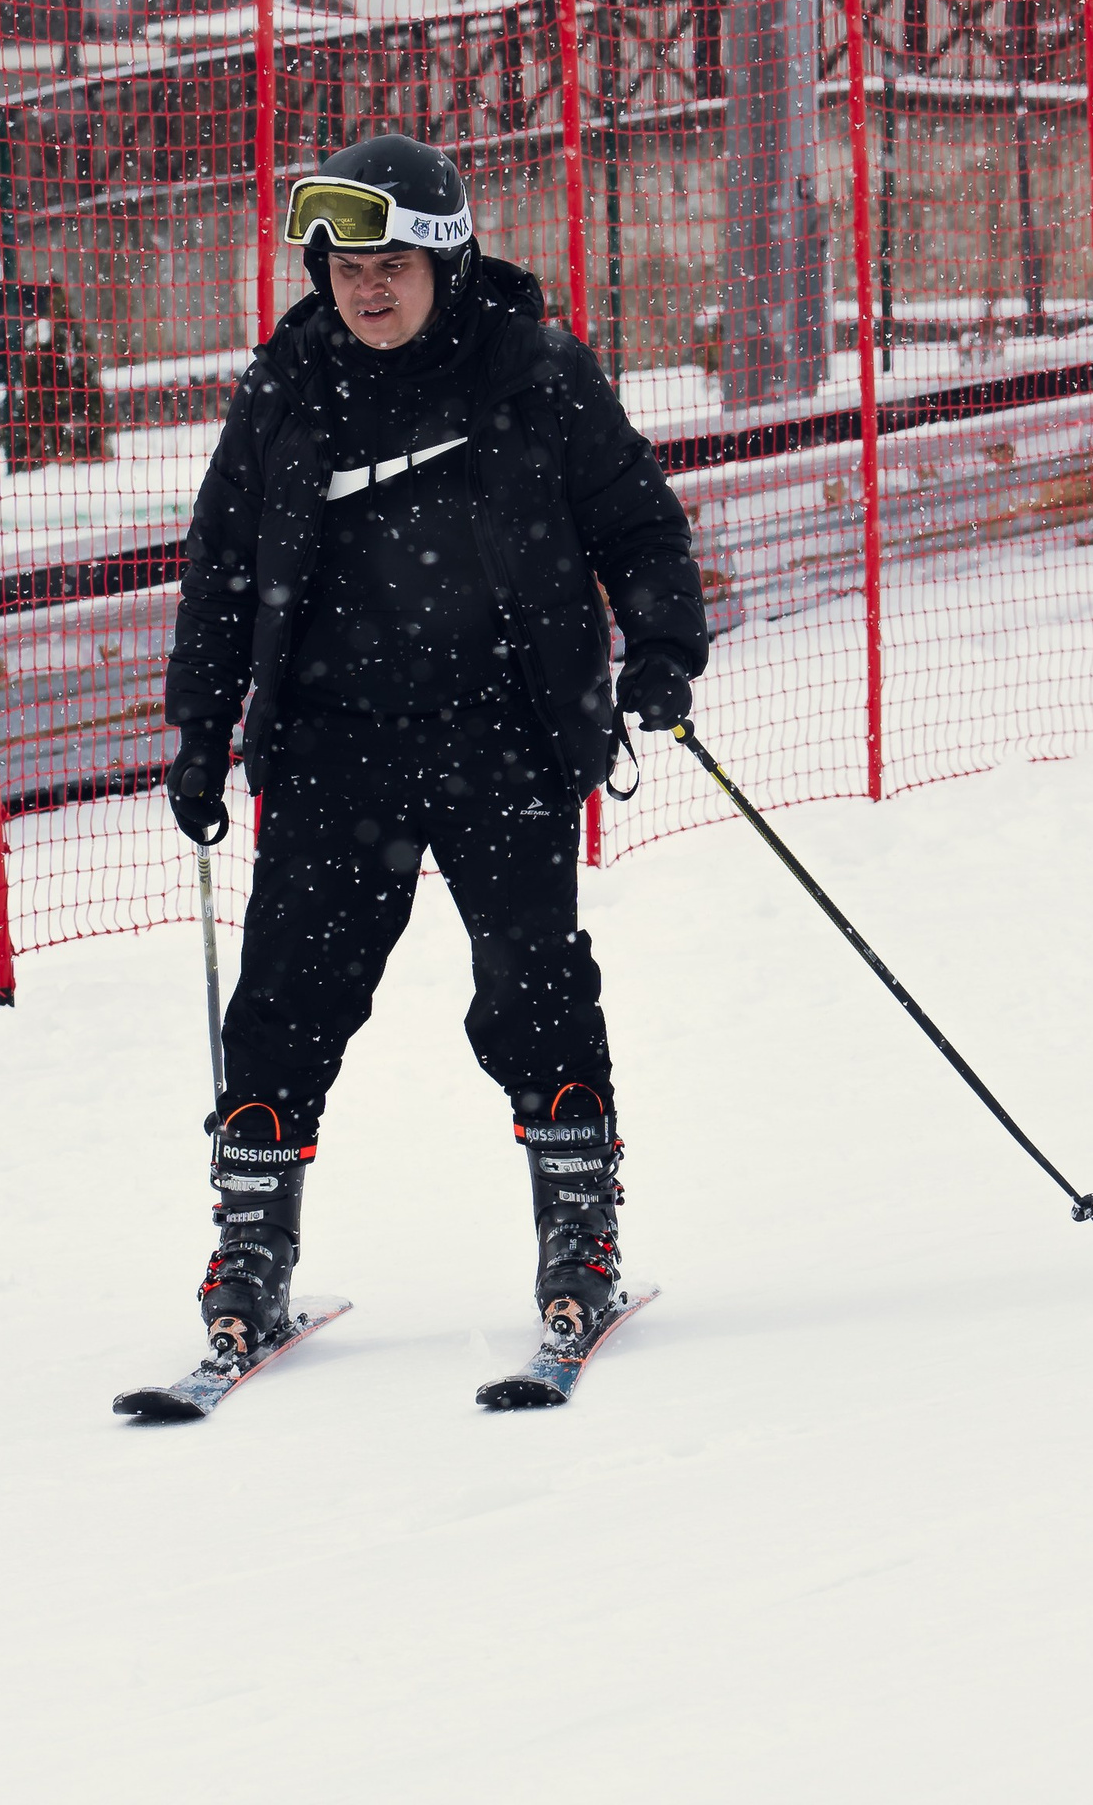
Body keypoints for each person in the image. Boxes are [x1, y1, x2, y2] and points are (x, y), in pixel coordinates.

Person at [162, 132, 708, 1366]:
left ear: (445, 257)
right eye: (342, 264)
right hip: (331, 747)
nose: (364, 287)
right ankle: (250, 1243)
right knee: (286, 1003)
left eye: (391, 261)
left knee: (534, 990)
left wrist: (663, 649)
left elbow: (636, 518)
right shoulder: (288, 384)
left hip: (502, 738)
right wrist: (201, 727)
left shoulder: (531, 371)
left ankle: (579, 1225)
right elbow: (222, 569)